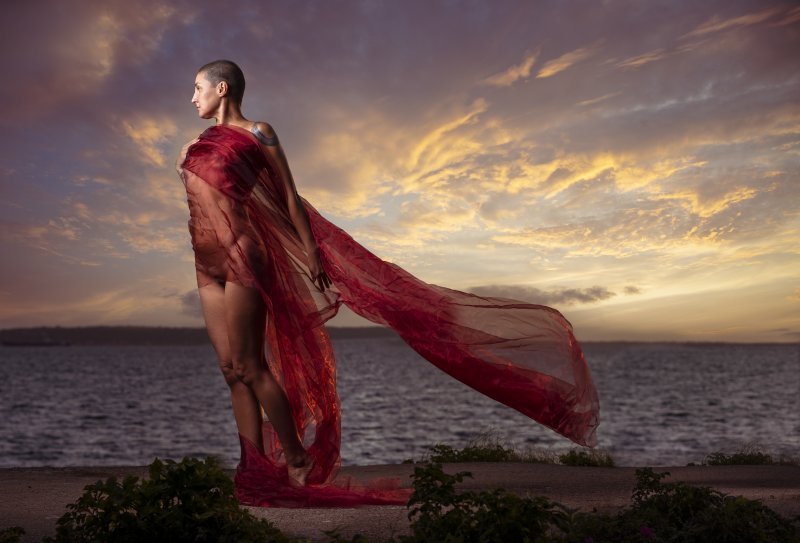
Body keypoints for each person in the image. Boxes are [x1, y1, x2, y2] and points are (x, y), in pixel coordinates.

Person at [176, 60, 600, 507]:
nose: (192, 97)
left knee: (250, 365)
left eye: (197, 88)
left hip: (244, 255)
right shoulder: (196, 143)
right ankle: (254, 469)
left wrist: (314, 252)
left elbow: (288, 197)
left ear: (221, 88)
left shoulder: (259, 133)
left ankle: (296, 458)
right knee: (230, 371)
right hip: (206, 265)